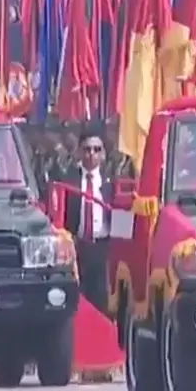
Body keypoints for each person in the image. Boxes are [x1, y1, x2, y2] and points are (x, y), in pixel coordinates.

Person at [58, 126, 114, 315]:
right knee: (77, 300)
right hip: (77, 247)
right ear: (80, 152)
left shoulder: (111, 182)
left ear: (103, 154)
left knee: (100, 301)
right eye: (87, 149)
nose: (92, 154)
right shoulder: (68, 180)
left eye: (97, 149)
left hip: (102, 248)